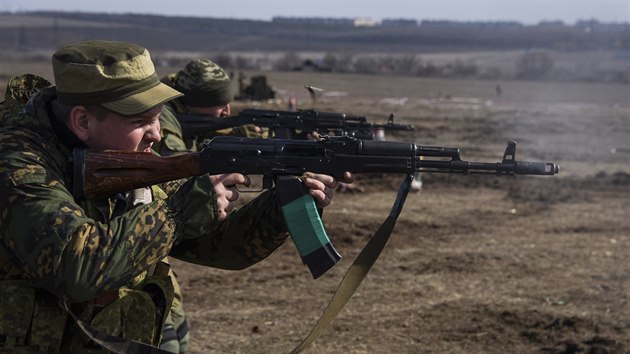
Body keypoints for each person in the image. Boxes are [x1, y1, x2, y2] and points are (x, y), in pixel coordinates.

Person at [0, 40, 349, 354]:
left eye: (158, 118)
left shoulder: (121, 159)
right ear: (82, 121)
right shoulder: (17, 164)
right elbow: (76, 269)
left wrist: (284, 205)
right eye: (141, 121)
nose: (156, 134)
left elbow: (215, 245)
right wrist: (177, 212)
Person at [153, 58, 262, 157]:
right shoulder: (160, 115)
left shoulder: (184, 109)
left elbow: (200, 138)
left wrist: (236, 135)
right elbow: (176, 167)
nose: (227, 112)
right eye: (221, 105)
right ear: (197, 102)